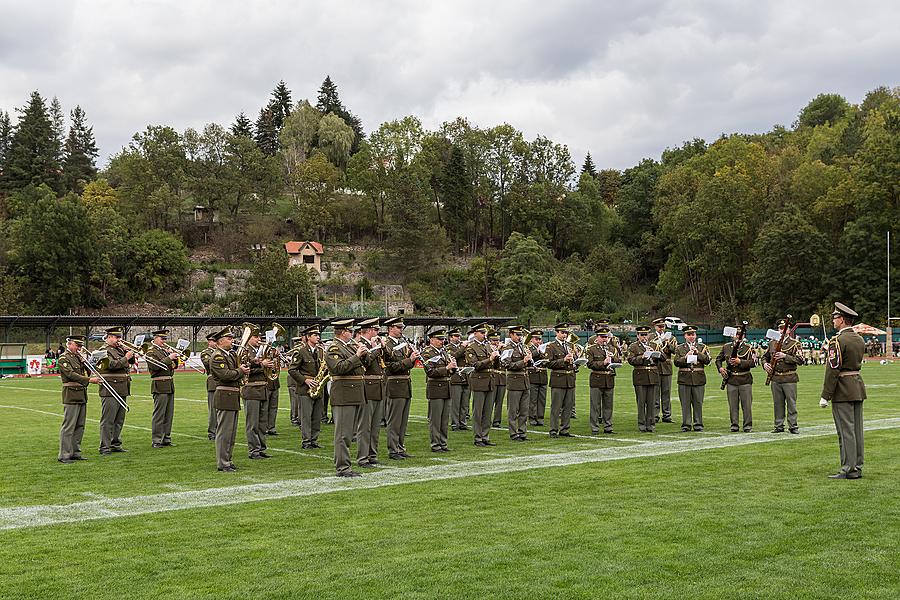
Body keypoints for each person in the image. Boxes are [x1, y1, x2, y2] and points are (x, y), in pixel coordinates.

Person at [821, 302, 867, 479]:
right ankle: (857, 466)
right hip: (856, 386)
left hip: (842, 388)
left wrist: (826, 395)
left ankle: (848, 468)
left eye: (835, 317)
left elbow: (833, 370)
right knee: (857, 430)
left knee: (845, 430)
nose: (833, 321)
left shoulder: (837, 341)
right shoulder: (859, 339)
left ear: (841, 320)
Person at [325, 319, 367, 477]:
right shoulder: (334, 348)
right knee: (343, 434)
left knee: (349, 433)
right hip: (344, 393)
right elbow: (339, 368)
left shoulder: (348, 346)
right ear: (343, 332)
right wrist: (357, 356)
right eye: (350, 331)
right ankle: (342, 468)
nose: (352, 333)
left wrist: (363, 354)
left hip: (354, 392)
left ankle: (345, 466)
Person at [210, 328, 249, 472]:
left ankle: (228, 459)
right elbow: (225, 375)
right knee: (224, 432)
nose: (232, 341)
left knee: (231, 433)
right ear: (220, 341)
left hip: (232, 395)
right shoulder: (218, 356)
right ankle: (223, 462)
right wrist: (241, 371)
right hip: (225, 395)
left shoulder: (230, 355)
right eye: (229, 338)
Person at [57, 335, 100, 463]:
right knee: (69, 426)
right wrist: (89, 380)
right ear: (69, 344)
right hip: (71, 394)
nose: (80, 348)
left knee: (80, 426)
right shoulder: (64, 358)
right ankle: (64, 454)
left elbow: (89, 372)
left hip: (81, 394)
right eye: (78, 345)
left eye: (81, 346)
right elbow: (71, 374)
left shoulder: (78, 357)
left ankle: (75, 452)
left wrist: (85, 363)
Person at [382, 317, 419, 460]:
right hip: (394, 384)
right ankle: (393, 449)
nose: (401, 330)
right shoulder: (387, 345)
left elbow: (405, 365)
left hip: (405, 385)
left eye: (401, 327)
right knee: (394, 420)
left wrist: (412, 357)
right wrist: (410, 359)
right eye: (398, 327)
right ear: (391, 328)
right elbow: (391, 367)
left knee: (403, 421)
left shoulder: (403, 343)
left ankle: (400, 447)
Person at [97, 327, 135, 455]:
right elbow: (111, 365)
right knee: (108, 419)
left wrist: (129, 354)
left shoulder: (119, 349)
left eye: (119, 337)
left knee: (119, 419)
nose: (119, 340)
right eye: (116, 337)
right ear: (109, 337)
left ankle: (115, 443)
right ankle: (105, 447)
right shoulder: (103, 350)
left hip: (122, 387)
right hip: (110, 388)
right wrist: (126, 357)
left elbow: (130, 362)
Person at [288, 326, 325, 450]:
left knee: (316, 416)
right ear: (308, 337)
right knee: (306, 416)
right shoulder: (300, 351)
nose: (318, 337)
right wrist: (305, 380)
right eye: (315, 335)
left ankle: (314, 439)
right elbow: (292, 370)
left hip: (318, 386)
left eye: (318, 335)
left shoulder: (320, 351)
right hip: (305, 388)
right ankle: (306, 441)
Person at [763, 319, 803, 434]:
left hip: (789, 377)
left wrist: (785, 356)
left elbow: (800, 360)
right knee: (778, 403)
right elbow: (765, 357)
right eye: (780, 328)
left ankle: (793, 425)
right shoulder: (772, 343)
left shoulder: (795, 343)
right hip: (776, 378)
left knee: (791, 403)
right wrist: (765, 364)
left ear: (789, 330)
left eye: (784, 328)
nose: (782, 331)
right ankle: (778, 425)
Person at [421, 328, 458, 452]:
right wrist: (447, 368)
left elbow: (449, 371)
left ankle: (443, 443)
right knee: (435, 419)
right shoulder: (427, 352)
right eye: (439, 339)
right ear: (431, 340)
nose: (442, 341)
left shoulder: (444, 352)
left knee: (444, 419)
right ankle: (435, 444)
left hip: (446, 387)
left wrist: (453, 368)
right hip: (435, 388)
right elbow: (430, 371)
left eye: (443, 339)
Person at [355, 318, 385, 467]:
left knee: (375, 426)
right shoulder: (359, 345)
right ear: (368, 331)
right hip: (367, 387)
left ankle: (372, 454)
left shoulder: (375, 345)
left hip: (378, 386)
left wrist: (382, 347)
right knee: (365, 426)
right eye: (376, 330)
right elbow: (365, 363)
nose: (378, 333)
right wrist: (374, 349)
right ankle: (362, 457)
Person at [240, 324, 273, 460]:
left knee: (262, 423)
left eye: (259, 336)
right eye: (255, 336)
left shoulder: (262, 350)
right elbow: (245, 370)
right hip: (252, 389)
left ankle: (261, 448)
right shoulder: (244, 352)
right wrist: (261, 365)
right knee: (253, 423)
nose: (258, 339)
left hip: (263, 388)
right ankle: (253, 450)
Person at [145, 329, 181, 448]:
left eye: (165, 339)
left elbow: (173, 367)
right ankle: (156, 439)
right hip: (159, 384)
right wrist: (169, 357)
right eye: (162, 338)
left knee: (168, 414)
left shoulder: (165, 351)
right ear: (155, 339)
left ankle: (166, 438)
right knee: (159, 414)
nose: (164, 341)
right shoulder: (151, 351)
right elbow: (155, 366)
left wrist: (174, 358)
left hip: (169, 384)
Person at [672, 326, 711, 432]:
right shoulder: (680, 348)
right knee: (685, 402)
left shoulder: (702, 347)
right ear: (685, 336)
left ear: (696, 335)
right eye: (689, 335)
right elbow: (676, 362)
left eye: (693, 334)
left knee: (698, 402)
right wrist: (686, 356)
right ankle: (686, 424)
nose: (691, 337)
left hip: (698, 378)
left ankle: (698, 424)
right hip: (685, 378)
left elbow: (707, 360)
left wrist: (698, 353)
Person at [716, 327, 756, 432]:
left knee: (746, 405)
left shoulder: (749, 347)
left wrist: (740, 362)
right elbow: (718, 359)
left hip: (744, 379)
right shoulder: (726, 347)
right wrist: (720, 368)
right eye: (737, 334)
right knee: (733, 405)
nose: (739, 336)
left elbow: (754, 363)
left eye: (741, 334)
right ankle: (734, 424)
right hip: (732, 379)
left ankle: (747, 425)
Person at [466, 323, 498, 447]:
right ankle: (478, 437)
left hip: (490, 380)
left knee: (487, 411)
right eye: (482, 333)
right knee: (478, 411)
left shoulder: (488, 346)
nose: (484, 335)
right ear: (475, 333)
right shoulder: (471, 347)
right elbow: (475, 365)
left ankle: (485, 436)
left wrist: (496, 358)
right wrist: (489, 359)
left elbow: (494, 365)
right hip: (479, 381)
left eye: (485, 333)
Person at [544, 323, 577, 438]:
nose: (564, 335)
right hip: (558, 379)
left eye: (566, 333)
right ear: (557, 333)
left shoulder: (569, 345)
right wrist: (563, 360)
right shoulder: (551, 346)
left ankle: (565, 429)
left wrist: (576, 362)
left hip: (570, 379)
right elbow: (548, 363)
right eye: (562, 332)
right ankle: (553, 430)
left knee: (568, 406)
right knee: (556, 407)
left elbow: (573, 363)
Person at [627, 325, 660, 433]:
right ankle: (642, 424)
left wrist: (655, 354)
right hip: (640, 376)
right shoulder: (634, 346)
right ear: (638, 335)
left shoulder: (654, 345)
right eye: (642, 335)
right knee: (641, 402)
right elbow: (630, 360)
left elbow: (663, 358)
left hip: (652, 376)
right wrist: (642, 357)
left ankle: (651, 424)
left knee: (651, 403)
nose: (644, 337)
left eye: (646, 334)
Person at [585, 325, 618, 434]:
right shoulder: (591, 349)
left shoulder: (612, 348)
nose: (605, 339)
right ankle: (594, 427)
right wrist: (603, 363)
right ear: (597, 337)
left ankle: (608, 426)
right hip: (597, 378)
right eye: (602, 337)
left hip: (609, 379)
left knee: (608, 405)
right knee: (595, 405)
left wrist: (613, 358)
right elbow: (590, 364)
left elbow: (619, 361)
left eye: (606, 337)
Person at [501, 325, 532, 441]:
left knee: (524, 410)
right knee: (513, 410)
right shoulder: (507, 348)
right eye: (517, 335)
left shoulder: (523, 347)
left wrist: (529, 359)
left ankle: (522, 432)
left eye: (521, 335)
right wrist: (523, 361)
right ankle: (513, 433)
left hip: (525, 381)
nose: (520, 337)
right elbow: (507, 365)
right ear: (511, 335)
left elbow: (528, 365)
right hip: (514, 381)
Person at [650, 317, 677, 423]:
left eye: (663, 326)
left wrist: (668, 343)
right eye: (659, 327)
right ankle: (655, 415)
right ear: (655, 327)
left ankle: (667, 415)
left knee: (666, 392)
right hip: (655, 366)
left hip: (666, 367)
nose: (661, 328)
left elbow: (675, 350)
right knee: (655, 392)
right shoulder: (650, 337)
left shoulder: (671, 337)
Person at [447, 328, 470, 431]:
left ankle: (463, 422)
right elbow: (454, 356)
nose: (458, 338)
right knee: (456, 403)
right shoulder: (448, 347)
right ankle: (455, 424)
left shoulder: (464, 347)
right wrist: (462, 347)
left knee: (465, 403)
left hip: (465, 376)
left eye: (459, 336)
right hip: (455, 377)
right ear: (451, 337)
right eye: (456, 336)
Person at [199, 333, 219, 440]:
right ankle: (212, 432)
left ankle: (220, 430)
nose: (216, 343)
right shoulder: (206, 353)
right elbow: (208, 364)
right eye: (214, 341)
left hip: (223, 382)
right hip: (213, 382)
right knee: (213, 409)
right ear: (209, 342)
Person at [527, 330, 548, 426]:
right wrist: (537, 351)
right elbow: (529, 357)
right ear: (531, 340)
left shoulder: (544, 348)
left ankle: (540, 418)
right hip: (533, 376)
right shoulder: (528, 348)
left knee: (542, 399)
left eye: (540, 339)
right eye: (536, 339)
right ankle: (532, 417)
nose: (538, 341)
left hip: (542, 376)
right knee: (533, 399)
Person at [265, 324, 282, 437]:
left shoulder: (275, 354)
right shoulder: (263, 354)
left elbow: (278, 367)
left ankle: (271, 427)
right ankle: (265, 427)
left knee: (273, 407)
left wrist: (277, 356)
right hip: (266, 383)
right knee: (265, 407)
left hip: (275, 383)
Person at [286, 335, 304, 428]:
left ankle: (298, 418)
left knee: (299, 401)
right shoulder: (295, 352)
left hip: (298, 379)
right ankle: (294, 418)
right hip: (293, 380)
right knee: (295, 401)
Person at [488, 329, 506, 427]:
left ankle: (497, 421)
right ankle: (487, 419)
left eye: (498, 340)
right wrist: (498, 350)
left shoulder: (504, 349)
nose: (496, 342)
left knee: (499, 402)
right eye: (494, 340)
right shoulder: (488, 349)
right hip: (493, 377)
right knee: (490, 401)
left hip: (502, 378)